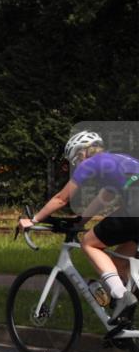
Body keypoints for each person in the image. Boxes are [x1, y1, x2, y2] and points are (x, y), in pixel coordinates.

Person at [19, 131, 139, 326]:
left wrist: (33, 220)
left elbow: (61, 198)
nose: (77, 164)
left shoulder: (93, 162)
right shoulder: (116, 160)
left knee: (89, 244)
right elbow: (103, 199)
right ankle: (125, 321)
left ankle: (121, 297)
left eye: (76, 158)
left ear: (84, 152)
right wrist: (79, 222)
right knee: (118, 264)